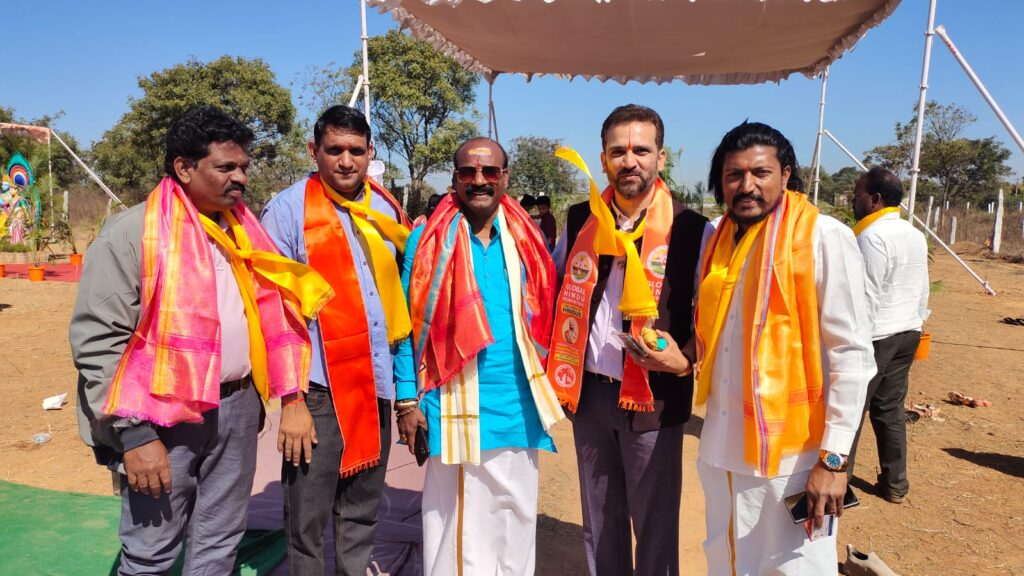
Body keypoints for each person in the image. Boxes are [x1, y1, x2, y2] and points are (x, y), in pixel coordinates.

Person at [70, 106, 331, 575]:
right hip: (158, 417)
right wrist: (133, 434)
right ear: (184, 168)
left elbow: (270, 315)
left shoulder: (245, 232)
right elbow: (98, 341)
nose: (241, 178)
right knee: (150, 552)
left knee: (219, 544)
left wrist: (269, 398)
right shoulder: (133, 234)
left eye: (245, 167)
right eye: (226, 167)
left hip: (235, 408)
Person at [694, 121, 875, 575]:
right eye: (734, 175)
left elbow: (851, 354)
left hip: (792, 454)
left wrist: (833, 460)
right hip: (721, 446)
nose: (747, 186)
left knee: (794, 567)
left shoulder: (821, 237)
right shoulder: (717, 239)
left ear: (787, 174)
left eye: (760, 173)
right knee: (726, 556)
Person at [549, 104, 713, 576]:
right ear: (603, 160)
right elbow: (557, 288)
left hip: (654, 397)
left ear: (661, 158)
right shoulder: (581, 219)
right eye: (618, 151)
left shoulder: (692, 229)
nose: (630, 161)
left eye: (641, 150)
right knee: (599, 516)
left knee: (655, 520)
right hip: (591, 393)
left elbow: (713, 315)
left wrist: (686, 360)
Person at [394, 137, 565, 575]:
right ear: (455, 179)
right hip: (451, 401)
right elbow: (408, 328)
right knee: (456, 528)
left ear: (506, 177)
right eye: (468, 172)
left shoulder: (528, 241)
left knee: (515, 518)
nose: (479, 181)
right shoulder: (425, 242)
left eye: (490, 172)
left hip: (518, 405)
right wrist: (408, 401)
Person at [260, 104, 411, 576]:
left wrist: (404, 395)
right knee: (306, 515)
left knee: (361, 508)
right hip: (318, 390)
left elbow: (400, 304)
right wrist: (292, 401)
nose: (346, 161)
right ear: (314, 151)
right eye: (334, 150)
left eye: (356, 151)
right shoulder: (286, 212)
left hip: (375, 384)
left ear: (370, 153)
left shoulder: (385, 208)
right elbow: (274, 310)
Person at [848, 167, 929, 503]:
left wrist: (854, 344)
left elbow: (866, 296)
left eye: (858, 193)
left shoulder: (872, 237)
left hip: (878, 335)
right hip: (907, 330)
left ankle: (838, 481)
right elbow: (922, 286)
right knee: (889, 409)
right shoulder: (914, 234)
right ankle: (895, 484)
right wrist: (919, 321)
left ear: (875, 199)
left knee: (850, 407)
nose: (854, 199)